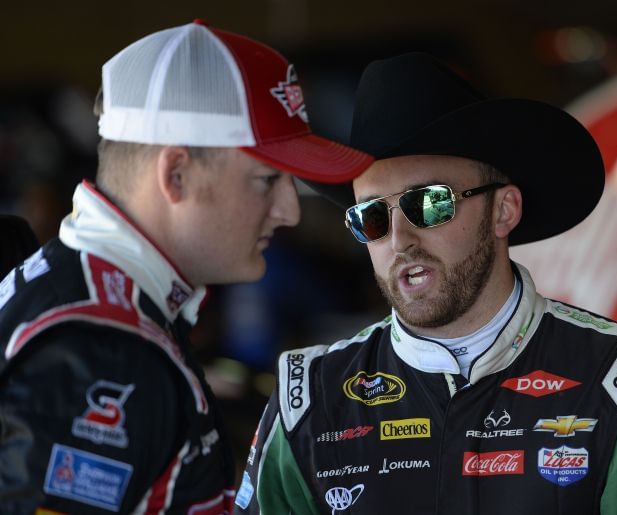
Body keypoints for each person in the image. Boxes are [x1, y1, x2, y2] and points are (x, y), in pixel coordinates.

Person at [235, 52, 617, 515]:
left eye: (428, 203)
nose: (399, 238)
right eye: (370, 217)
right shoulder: (309, 397)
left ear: (503, 210)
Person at [0, 20, 372, 513]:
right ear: (175, 174)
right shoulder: (102, 350)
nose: (291, 211)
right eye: (267, 180)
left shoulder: (97, 300)